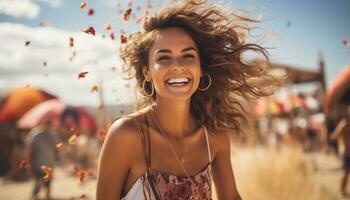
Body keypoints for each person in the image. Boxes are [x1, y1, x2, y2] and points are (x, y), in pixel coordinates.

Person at [96, 0, 279, 199]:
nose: (177, 66)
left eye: (188, 56)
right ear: (146, 72)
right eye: (164, 58)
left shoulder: (214, 137)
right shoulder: (127, 135)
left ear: (201, 69)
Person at [28, 117, 60, 200]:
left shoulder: (53, 136)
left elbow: (56, 149)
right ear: (43, 124)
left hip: (49, 163)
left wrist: (57, 159)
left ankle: (47, 196)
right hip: (38, 163)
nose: (48, 126)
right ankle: (34, 196)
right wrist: (30, 162)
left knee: (48, 182)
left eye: (49, 124)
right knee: (38, 181)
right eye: (46, 123)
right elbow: (31, 150)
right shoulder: (36, 136)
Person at [330, 106, 350, 196]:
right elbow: (335, 135)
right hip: (348, 152)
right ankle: (342, 190)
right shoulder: (344, 124)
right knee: (346, 172)